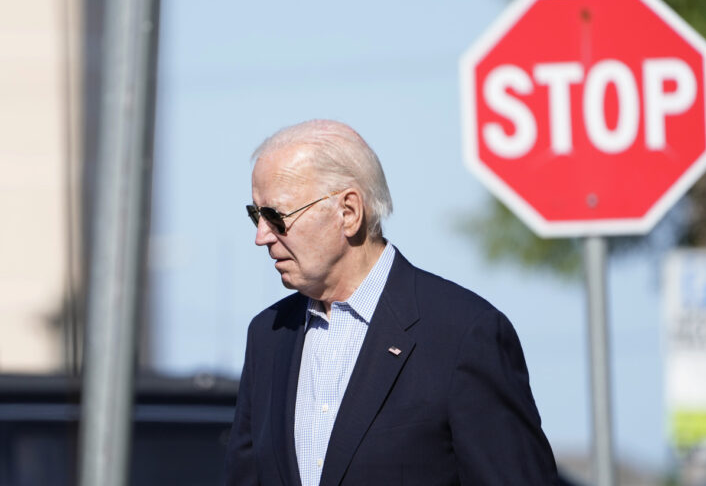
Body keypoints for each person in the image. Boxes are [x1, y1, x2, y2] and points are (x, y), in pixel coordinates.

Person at [226, 119, 558, 485]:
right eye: (256, 215)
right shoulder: (269, 334)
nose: (261, 236)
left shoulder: (462, 334)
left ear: (348, 212)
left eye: (276, 216)